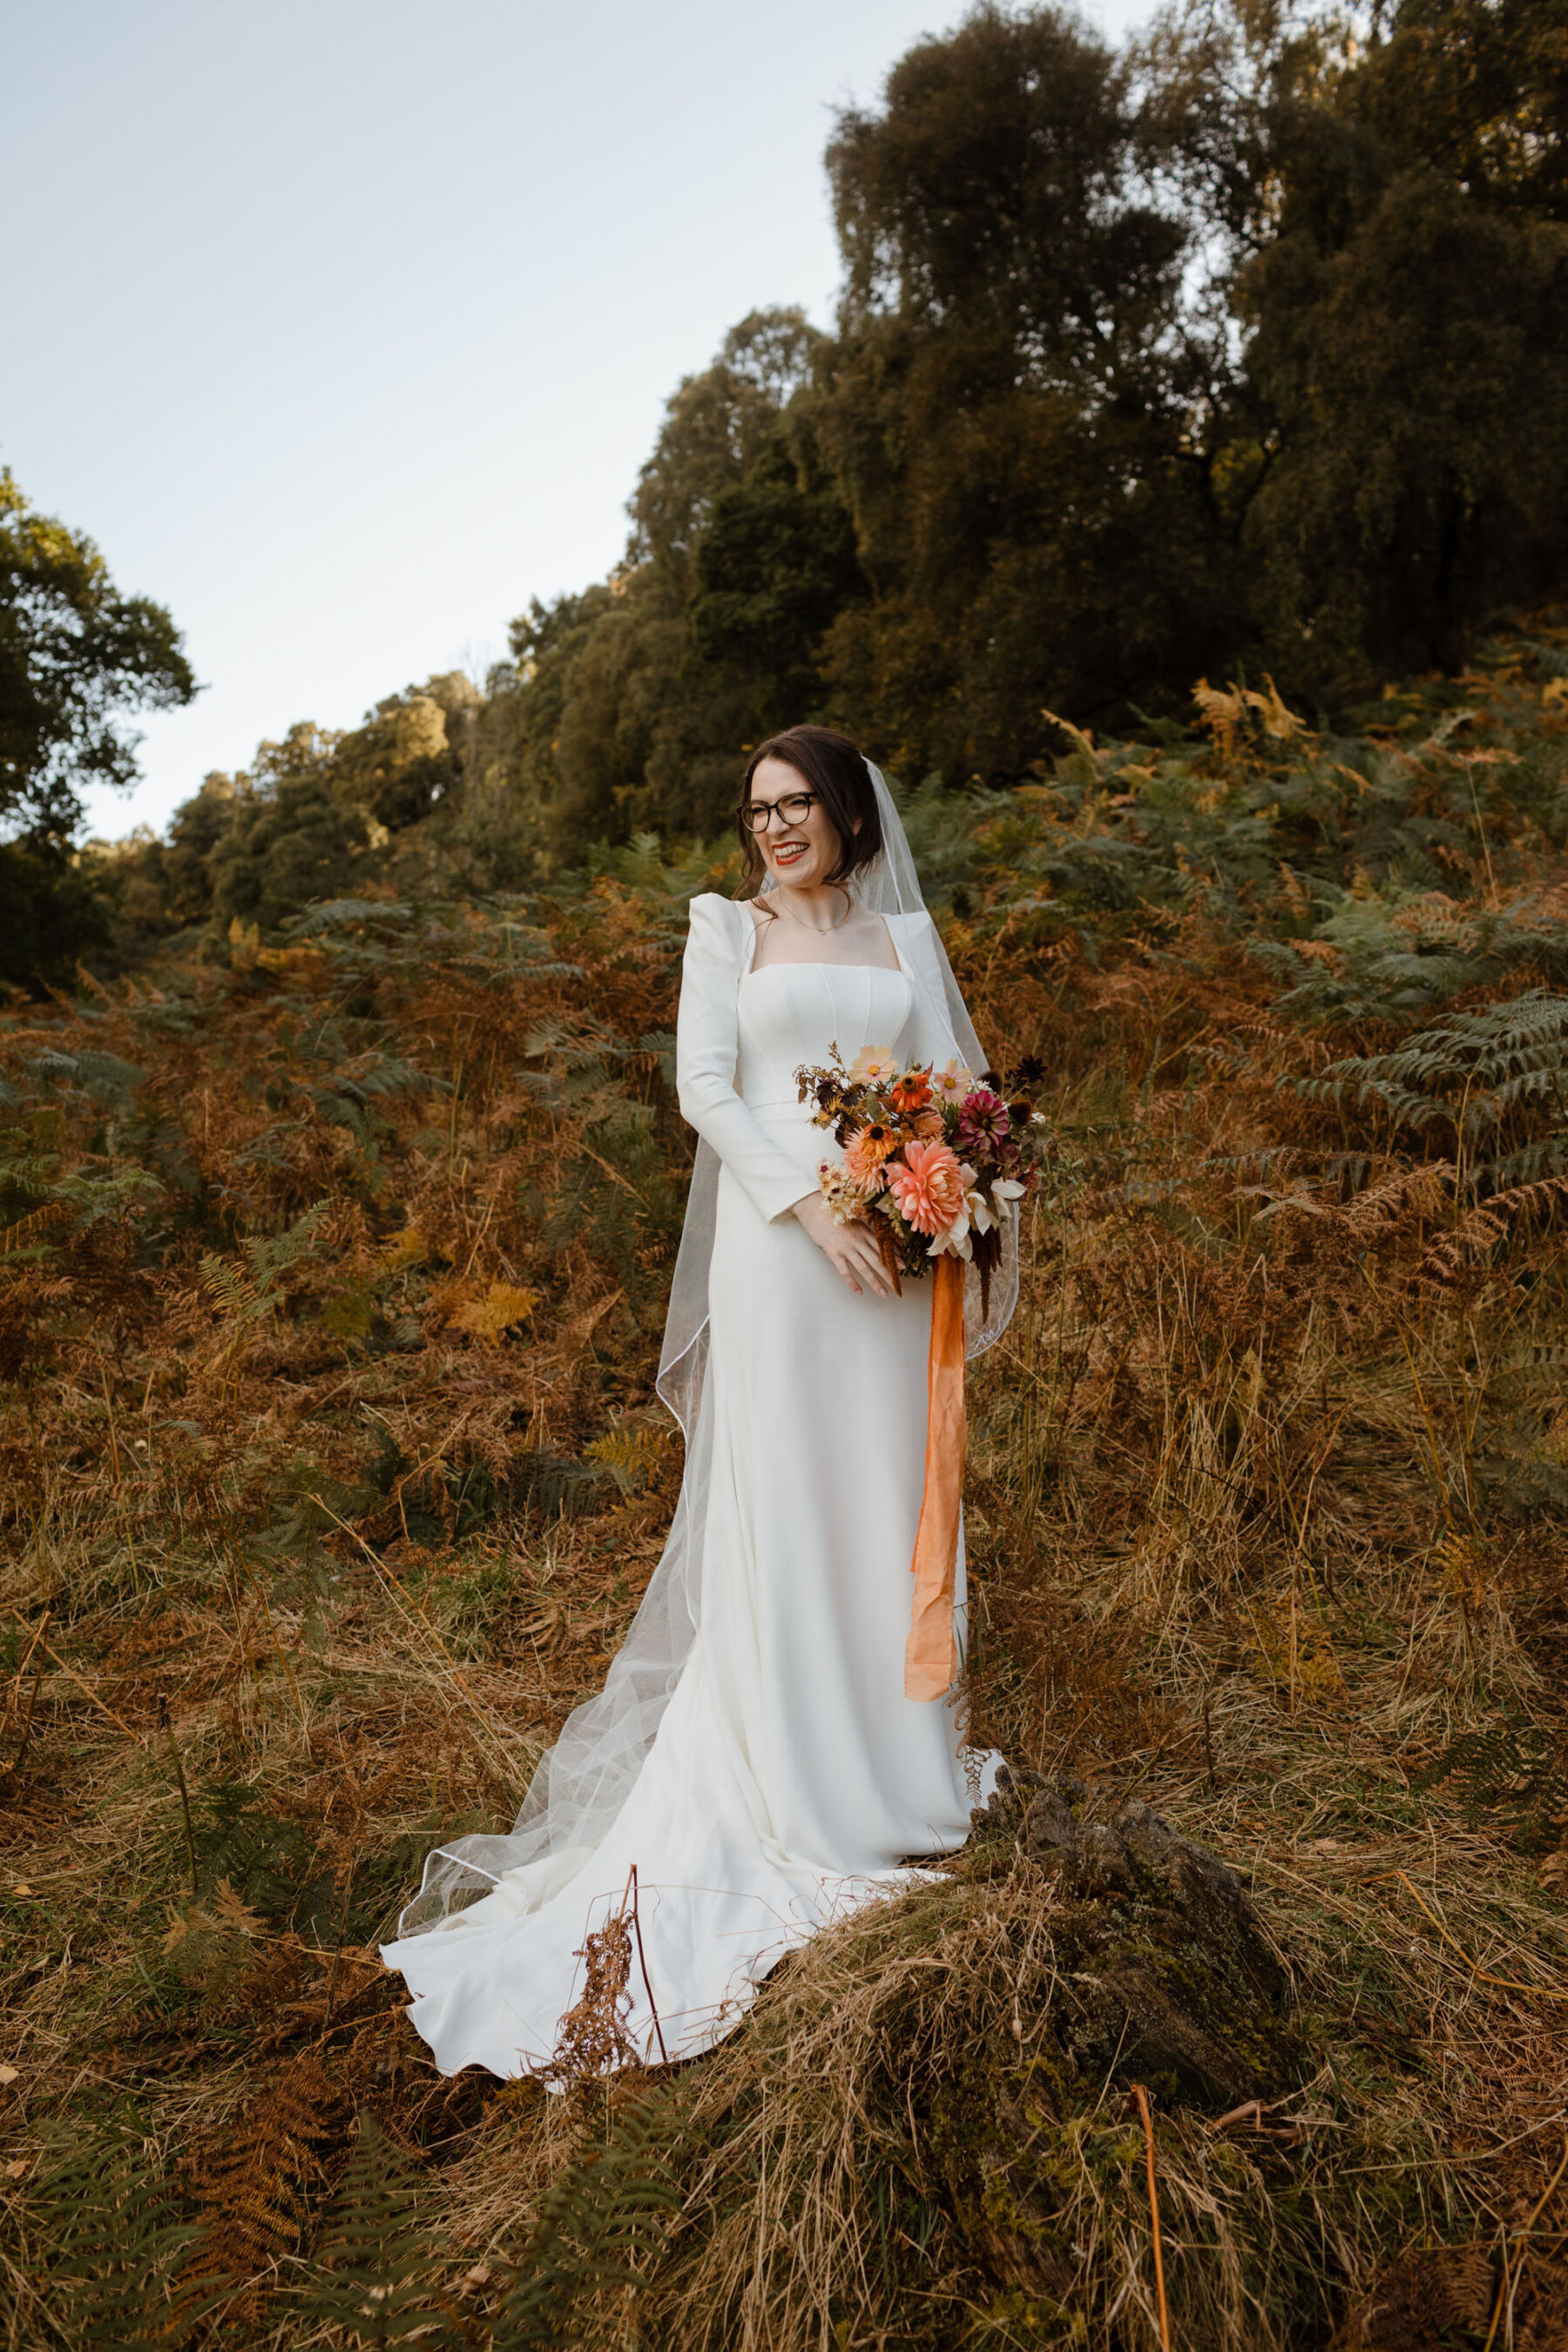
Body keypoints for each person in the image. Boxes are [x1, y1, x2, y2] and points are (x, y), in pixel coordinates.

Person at [381, 726, 1016, 2077]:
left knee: (887, 1492)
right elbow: (704, 1089)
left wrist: (953, 1191)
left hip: (894, 1256)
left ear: (848, 813)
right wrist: (805, 1206)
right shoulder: (726, 928)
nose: (776, 828)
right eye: (758, 810)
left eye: (797, 806)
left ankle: (898, 1767)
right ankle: (798, 1780)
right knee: (791, 1498)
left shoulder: (905, 940)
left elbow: (956, 1089)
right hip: (785, 1254)